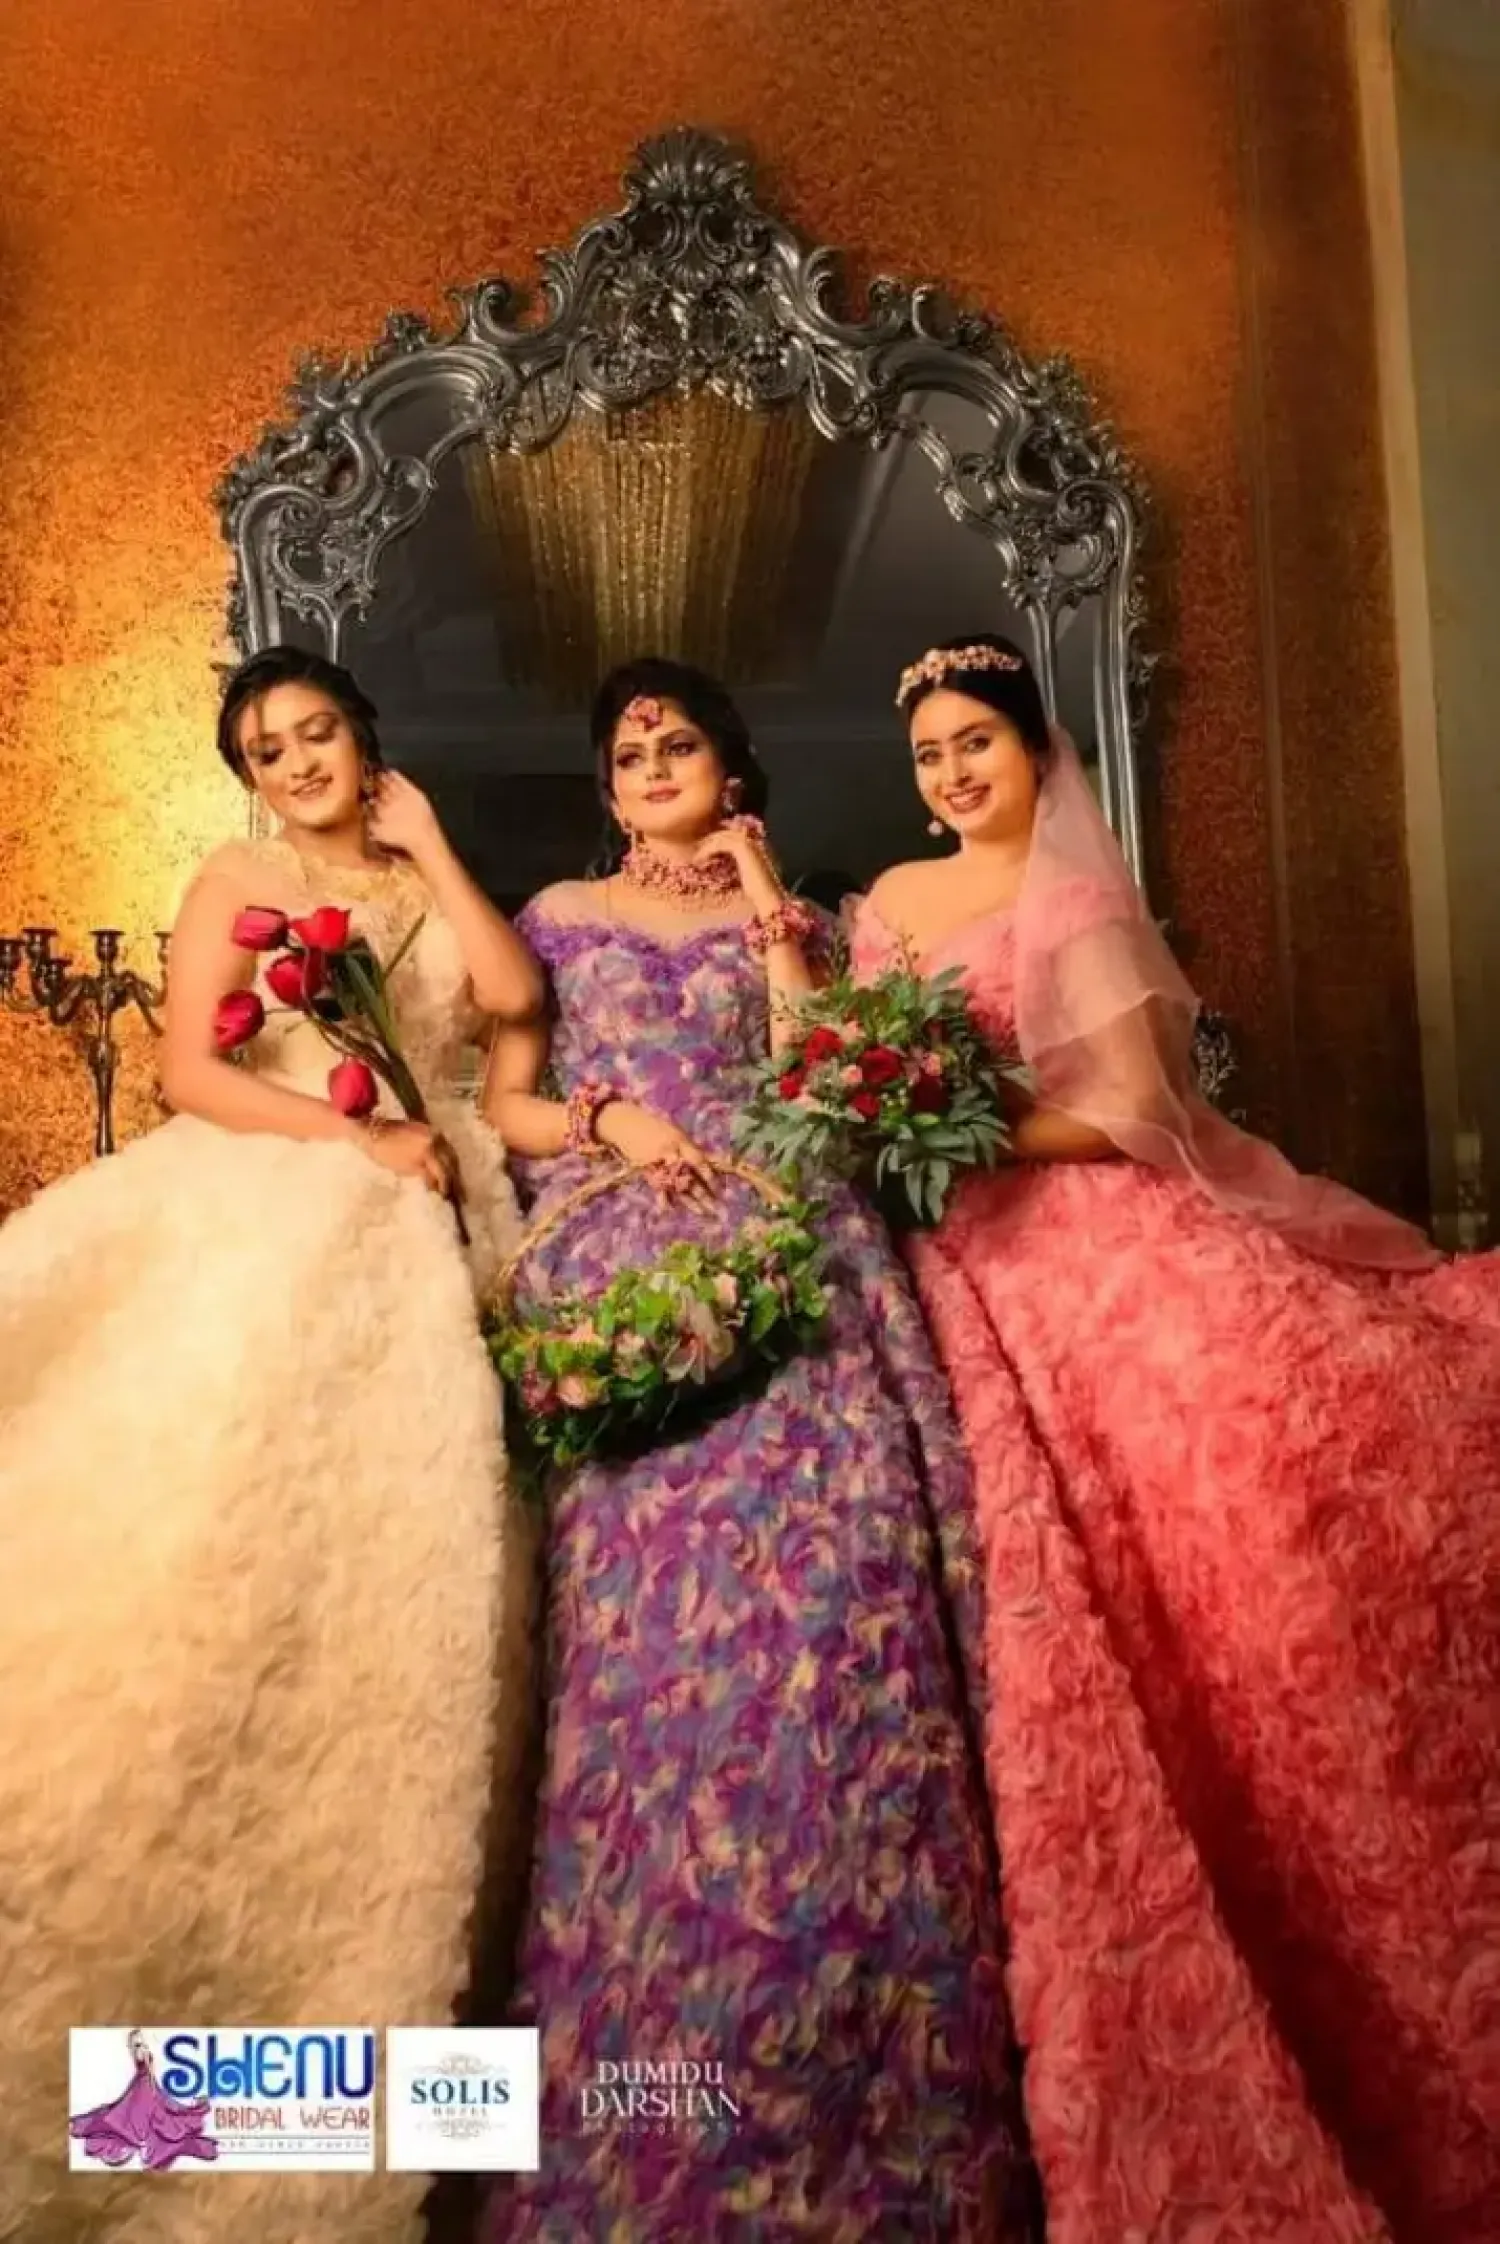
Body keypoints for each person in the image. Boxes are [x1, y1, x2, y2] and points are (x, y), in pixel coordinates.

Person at [851, 633, 1500, 2244]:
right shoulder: (889, 900)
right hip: (939, 1246)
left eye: (977, 741)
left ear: (1033, 750)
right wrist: (877, 1117)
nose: (954, 772)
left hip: (1074, 1226)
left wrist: (962, 1128)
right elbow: (847, 1055)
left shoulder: (1076, 897)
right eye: (931, 753)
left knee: (1227, 1512)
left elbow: (1131, 1112)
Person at [479, 656, 1038, 2240]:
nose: (653, 762)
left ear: (732, 768)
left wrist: (766, 902)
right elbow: (507, 1101)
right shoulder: (558, 920)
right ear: (606, 789)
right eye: (629, 750)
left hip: (803, 1272)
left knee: (845, 1643)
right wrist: (612, 1122)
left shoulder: (799, 917)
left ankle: (883, 2109)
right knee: (651, 1676)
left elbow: (818, 1080)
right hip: (633, 1290)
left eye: (681, 742)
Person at [0, 646, 540, 2244]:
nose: (298, 763)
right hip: (297, 1202)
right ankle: (152, 2100)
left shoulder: (422, 877)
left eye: (319, 735)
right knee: (235, 1575)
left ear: (366, 741)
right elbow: (188, 1071)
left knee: (423, 1617)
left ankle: (411, 2083)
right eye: (269, 747)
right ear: (246, 773)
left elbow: (511, 1004)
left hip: (447, 1222)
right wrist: (355, 1138)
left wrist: (429, 843)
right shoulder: (234, 879)